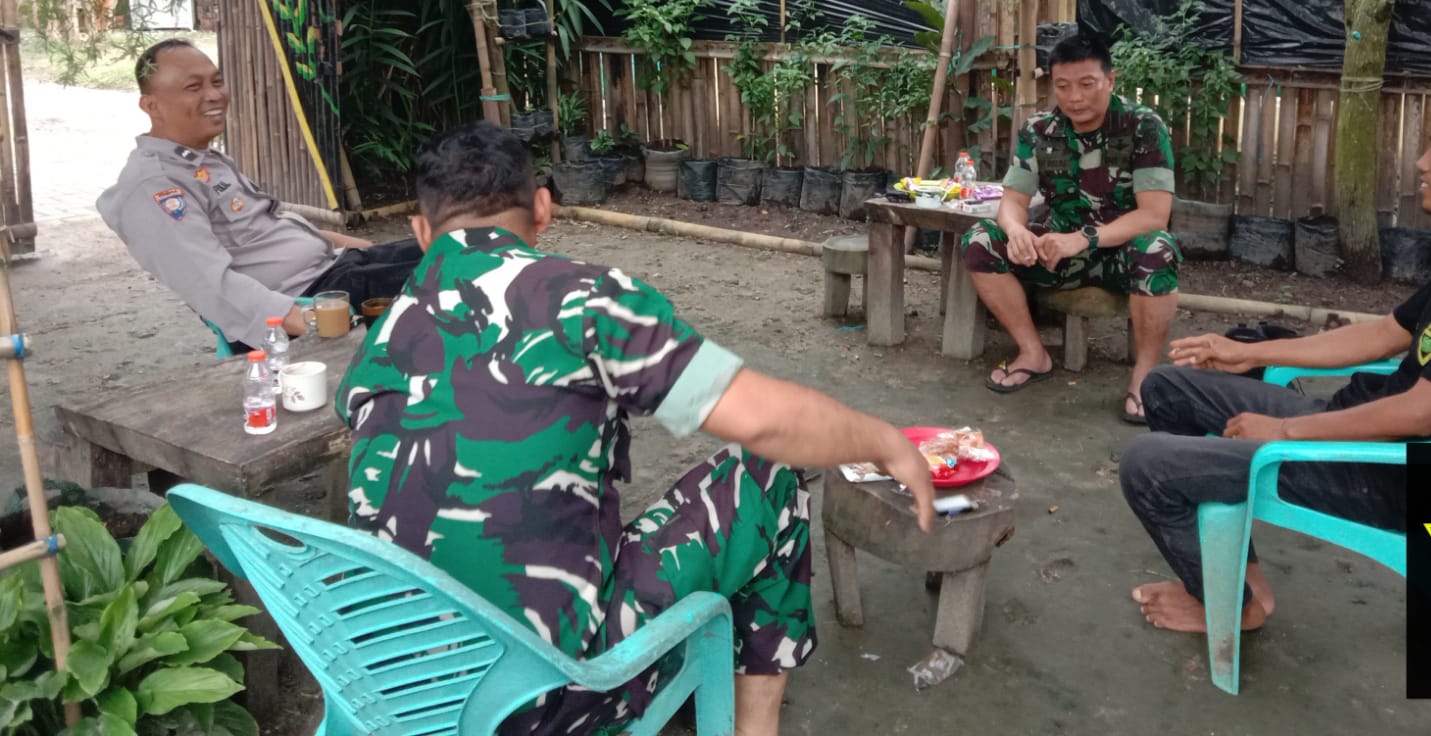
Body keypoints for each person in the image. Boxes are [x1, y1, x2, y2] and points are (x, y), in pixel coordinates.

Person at [336, 122, 934, 736]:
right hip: (551, 701)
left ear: (421, 231)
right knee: (770, 476)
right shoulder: (585, 300)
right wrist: (885, 442)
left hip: (394, 696)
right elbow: (763, 420)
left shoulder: (383, 333)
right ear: (542, 208)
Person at [1120, 78, 1431, 635]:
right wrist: (1245, 351)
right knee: (1166, 387)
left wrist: (1285, 434)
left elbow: (1419, 414)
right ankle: (1240, 584)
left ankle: (1234, 606)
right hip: (1358, 433)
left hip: (1387, 473)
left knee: (1147, 465)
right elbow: (1382, 334)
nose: (1422, 162)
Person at [97, 39, 422, 350]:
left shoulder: (204, 160)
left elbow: (267, 229)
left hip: (337, 268)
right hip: (311, 299)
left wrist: (369, 250)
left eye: (217, 82)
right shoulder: (154, 186)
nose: (214, 95)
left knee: (445, 245)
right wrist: (314, 320)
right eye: (194, 87)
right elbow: (209, 286)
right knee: (447, 274)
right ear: (151, 106)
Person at [961, 30, 1181, 421]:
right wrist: (1017, 232)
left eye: (1086, 84)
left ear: (1110, 80)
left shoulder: (1143, 127)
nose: (1074, 97)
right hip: (1056, 253)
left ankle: (1145, 378)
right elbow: (1012, 202)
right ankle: (1033, 353)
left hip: (1121, 256)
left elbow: (1153, 215)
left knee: (1158, 248)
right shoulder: (1040, 129)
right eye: (1063, 86)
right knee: (980, 240)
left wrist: (1084, 238)